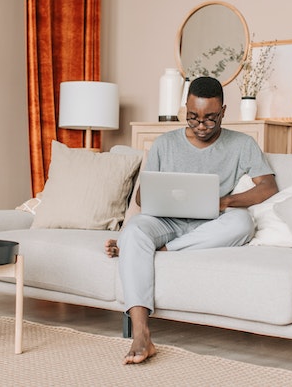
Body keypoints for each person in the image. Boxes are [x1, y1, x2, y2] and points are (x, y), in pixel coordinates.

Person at [104, 76, 278, 365]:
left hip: (209, 225)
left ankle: (156, 251)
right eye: (193, 117)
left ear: (224, 111)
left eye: (210, 118)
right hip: (166, 222)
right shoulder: (164, 143)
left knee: (243, 224)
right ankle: (141, 333)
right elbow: (140, 200)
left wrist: (226, 202)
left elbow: (268, 187)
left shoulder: (242, 144)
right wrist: (155, 193)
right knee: (135, 229)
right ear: (185, 109)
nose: (200, 125)